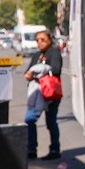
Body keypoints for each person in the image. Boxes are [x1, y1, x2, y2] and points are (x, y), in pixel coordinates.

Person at [24, 29, 62, 160]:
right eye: (37, 40)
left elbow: (56, 70)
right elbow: (28, 71)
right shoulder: (36, 55)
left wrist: (38, 72)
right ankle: (31, 149)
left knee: (51, 122)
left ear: (50, 40)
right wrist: (29, 75)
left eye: (43, 39)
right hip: (37, 94)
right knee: (29, 120)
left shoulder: (54, 53)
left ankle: (55, 149)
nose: (39, 42)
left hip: (50, 93)